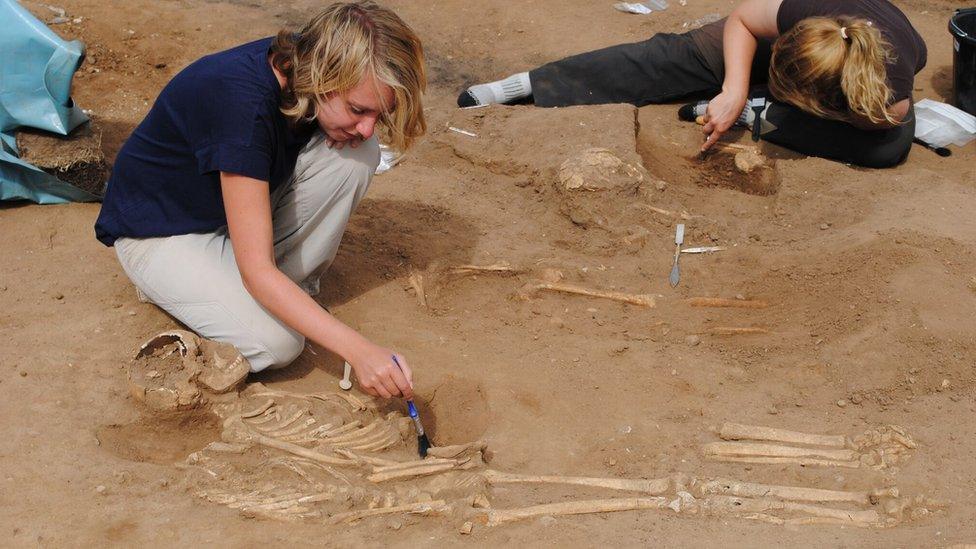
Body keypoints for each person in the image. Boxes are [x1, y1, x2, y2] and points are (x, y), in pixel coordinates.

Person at [94, 1, 426, 399]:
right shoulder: (243, 108)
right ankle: (185, 289)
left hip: (225, 210)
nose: (369, 126)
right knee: (280, 343)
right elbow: (256, 270)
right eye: (358, 109)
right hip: (160, 233)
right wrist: (360, 350)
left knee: (358, 154)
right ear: (323, 73)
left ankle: (269, 295)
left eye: (379, 113)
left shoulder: (307, 61)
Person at [457, 0, 927, 168]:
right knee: (680, 55)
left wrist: (752, 106)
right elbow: (743, 19)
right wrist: (736, 87)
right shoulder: (803, 11)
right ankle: (532, 84)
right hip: (798, 47)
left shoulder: (885, 100)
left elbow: (882, 129)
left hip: (843, 89)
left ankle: (763, 116)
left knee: (886, 149)